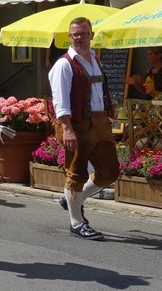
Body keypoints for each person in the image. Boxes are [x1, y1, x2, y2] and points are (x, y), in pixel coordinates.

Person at [48, 17, 119, 241]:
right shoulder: (64, 64)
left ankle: (71, 200)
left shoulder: (95, 60)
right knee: (76, 173)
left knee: (110, 171)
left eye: (84, 33)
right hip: (77, 123)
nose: (79, 37)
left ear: (91, 35)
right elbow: (59, 100)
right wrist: (67, 128)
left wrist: (109, 109)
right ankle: (76, 222)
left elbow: (99, 91)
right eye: (75, 34)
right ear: (69, 37)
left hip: (100, 122)